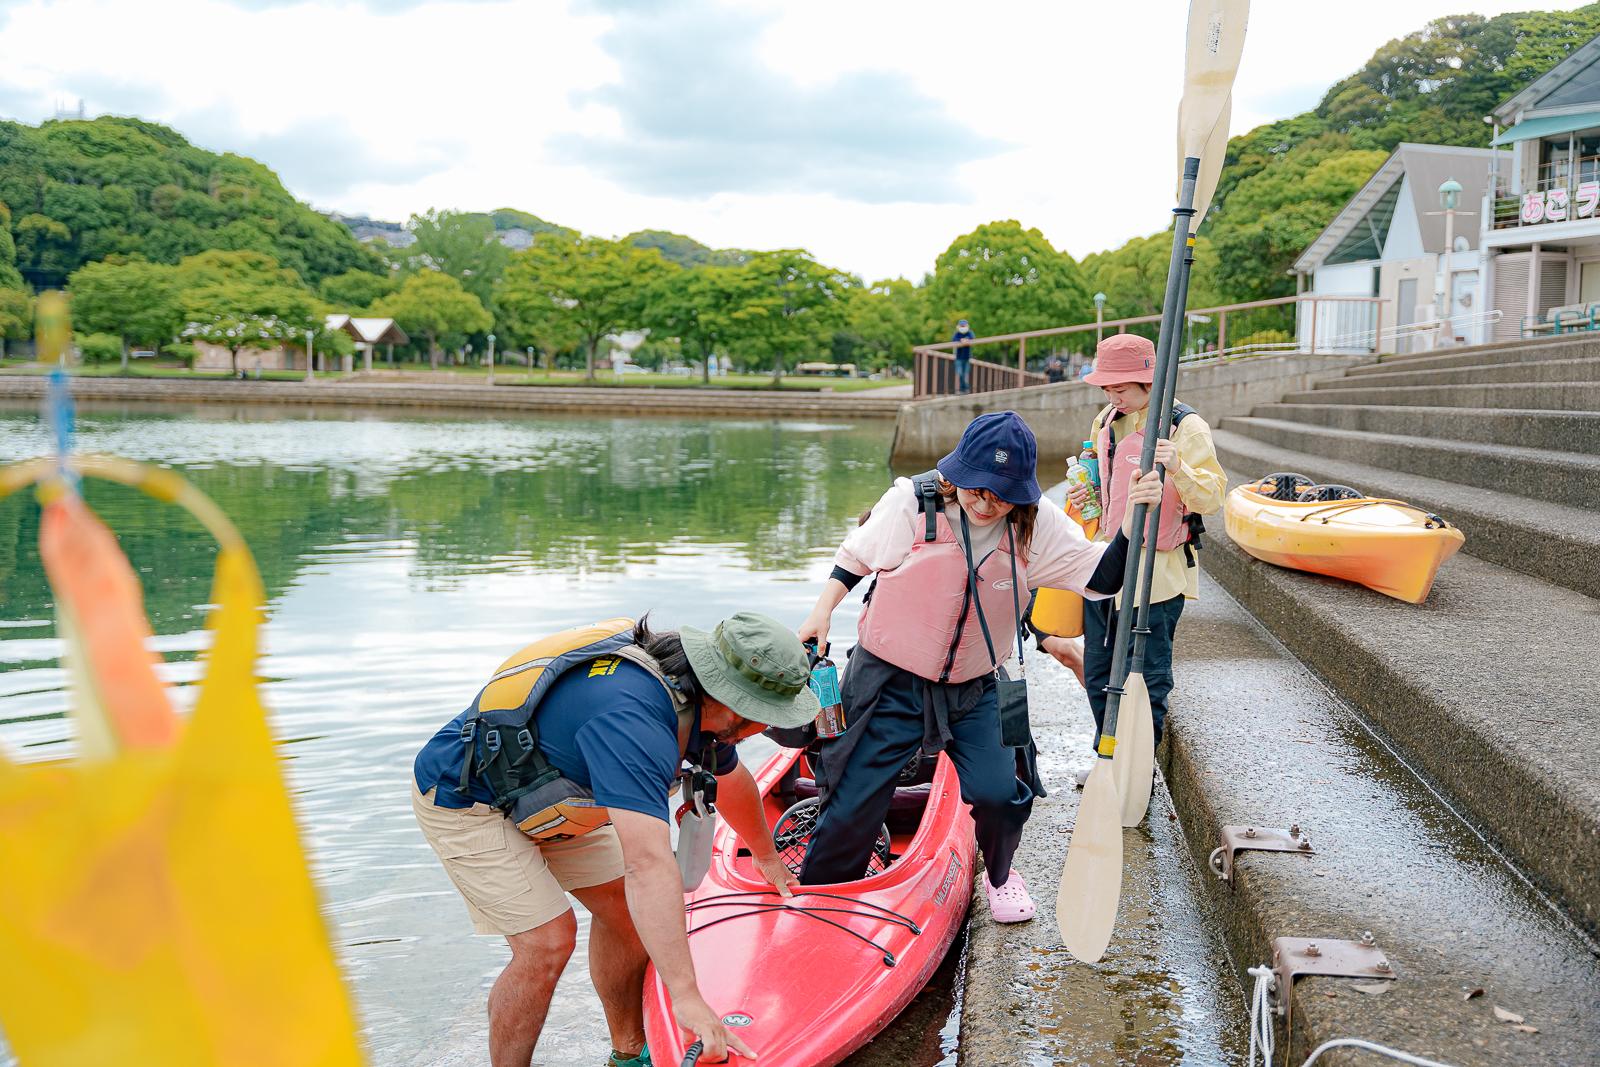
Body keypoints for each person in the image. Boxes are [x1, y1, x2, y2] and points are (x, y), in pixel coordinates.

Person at [795, 412, 1165, 922]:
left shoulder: (1037, 525)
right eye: (977, 489)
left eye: (1001, 494)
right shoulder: (913, 501)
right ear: (957, 474)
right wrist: (822, 610)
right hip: (887, 681)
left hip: (975, 686)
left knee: (999, 793)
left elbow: (1101, 577)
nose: (986, 503)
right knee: (851, 804)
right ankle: (821, 899)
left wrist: (1131, 524)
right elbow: (855, 557)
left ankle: (999, 873)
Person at [411, 613, 819, 1067]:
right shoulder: (633, 722)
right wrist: (687, 997)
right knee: (548, 942)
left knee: (627, 914)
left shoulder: (699, 701)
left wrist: (766, 857)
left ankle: (626, 1054)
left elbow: (732, 779)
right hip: (468, 798)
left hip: (554, 792)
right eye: (764, 718)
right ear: (729, 700)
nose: (765, 730)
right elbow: (646, 863)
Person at [1045, 334, 1226, 785]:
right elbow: (1103, 482)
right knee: (1100, 671)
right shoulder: (1106, 420)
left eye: (1120, 388)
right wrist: (1087, 492)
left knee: (1146, 675)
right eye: (1106, 389)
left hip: (1158, 573)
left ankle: (1138, 769)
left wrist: (1178, 467)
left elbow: (1213, 497)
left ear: (1149, 381)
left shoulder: (1186, 427)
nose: (1112, 397)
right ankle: (1106, 759)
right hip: (1107, 563)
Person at [951, 318, 976, 394]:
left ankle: (965, 389)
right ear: (958, 326)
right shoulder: (957, 333)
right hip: (958, 357)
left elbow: (972, 337)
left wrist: (967, 339)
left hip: (967, 357)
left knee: (965, 374)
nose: (963, 327)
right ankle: (963, 389)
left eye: (964, 326)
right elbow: (954, 339)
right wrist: (961, 340)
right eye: (961, 326)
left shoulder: (969, 332)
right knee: (960, 373)